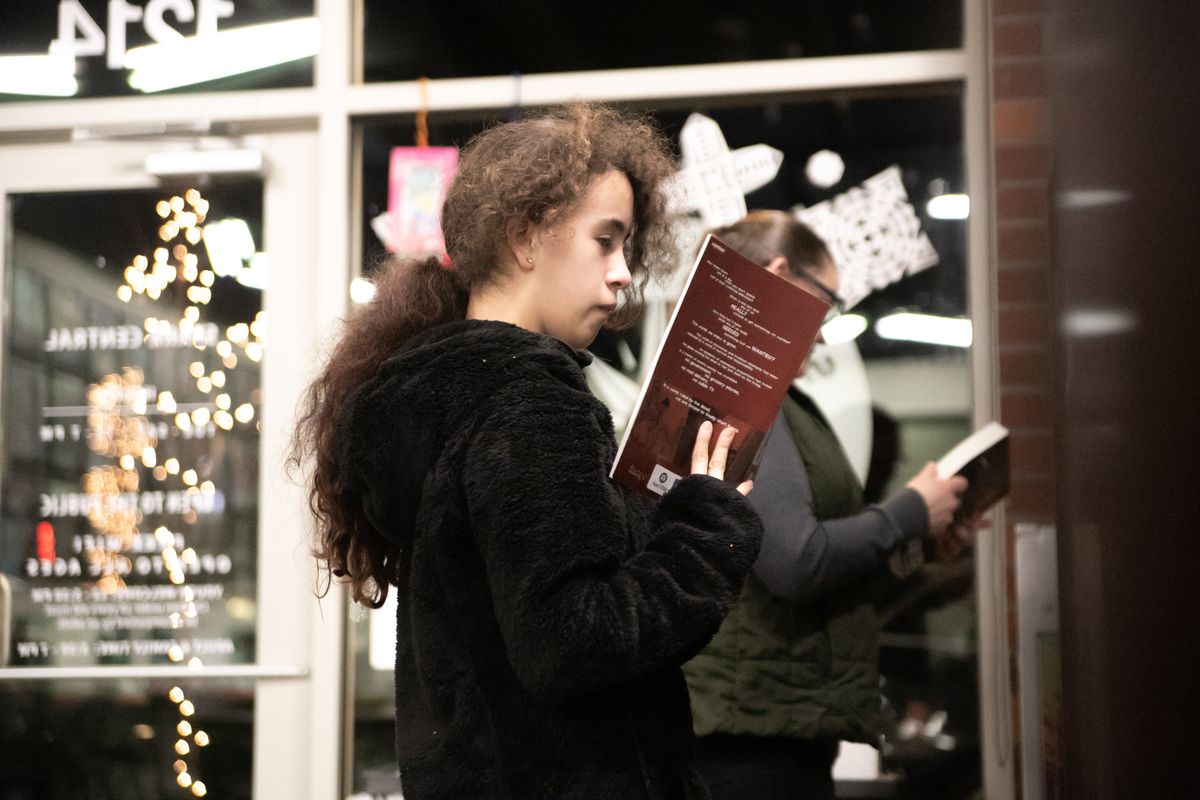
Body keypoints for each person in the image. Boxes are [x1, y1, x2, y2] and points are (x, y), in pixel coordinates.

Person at [291, 104, 764, 800]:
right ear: (525, 239)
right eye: (606, 241)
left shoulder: (445, 389)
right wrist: (709, 529)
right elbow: (575, 642)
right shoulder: (528, 398)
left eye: (628, 246)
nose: (624, 273)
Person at [683, 210, 974, 800]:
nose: (823, 330)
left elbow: (817, 583)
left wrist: (914, 547)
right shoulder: (740, 396)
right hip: (750, 746)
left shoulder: (777, 401)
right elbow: (796, 562)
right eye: (826, 302)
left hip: (774, 727)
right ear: (780, 275)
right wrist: (910, 512)